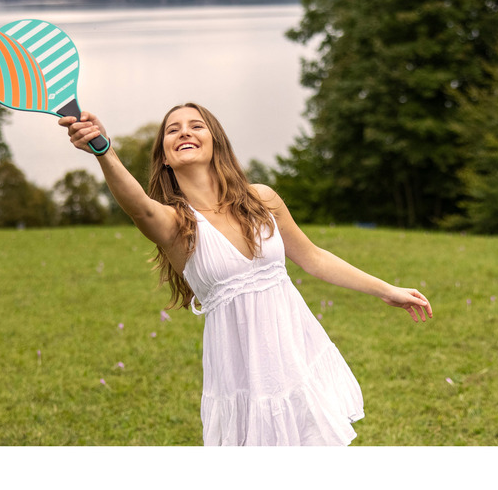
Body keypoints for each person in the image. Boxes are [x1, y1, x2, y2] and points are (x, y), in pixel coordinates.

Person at [59, 102, 433, 446]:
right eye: (172, 130)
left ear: (215, 143)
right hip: (241, 375)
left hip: (295, 354)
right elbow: (139, 206)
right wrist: (103, 150)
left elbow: (313, 258)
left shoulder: (262, 200)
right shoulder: (175, 223)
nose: (184, 132)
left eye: (196, 125)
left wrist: (387, 290)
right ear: (165, 159)